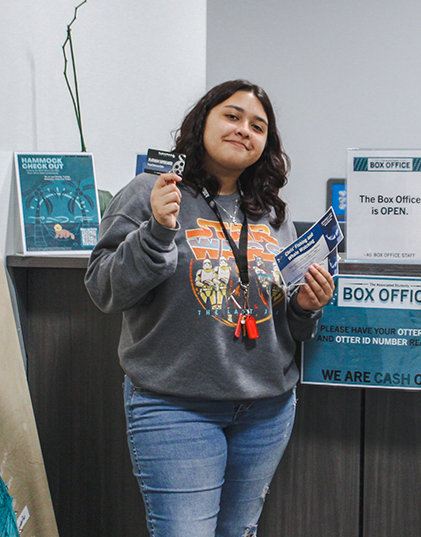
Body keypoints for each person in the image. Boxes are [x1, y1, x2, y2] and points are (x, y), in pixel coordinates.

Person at [85, 80, 334, 537]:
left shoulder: (272, 212)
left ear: (266, 145)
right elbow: (104, 288)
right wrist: (157, 232)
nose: (244, 130)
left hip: (266, 409)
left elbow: (288, 324)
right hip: (176, 407)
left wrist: (304, 307)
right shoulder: (152, 191)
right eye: (233, 116)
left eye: (258, 126)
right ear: (203, 122)